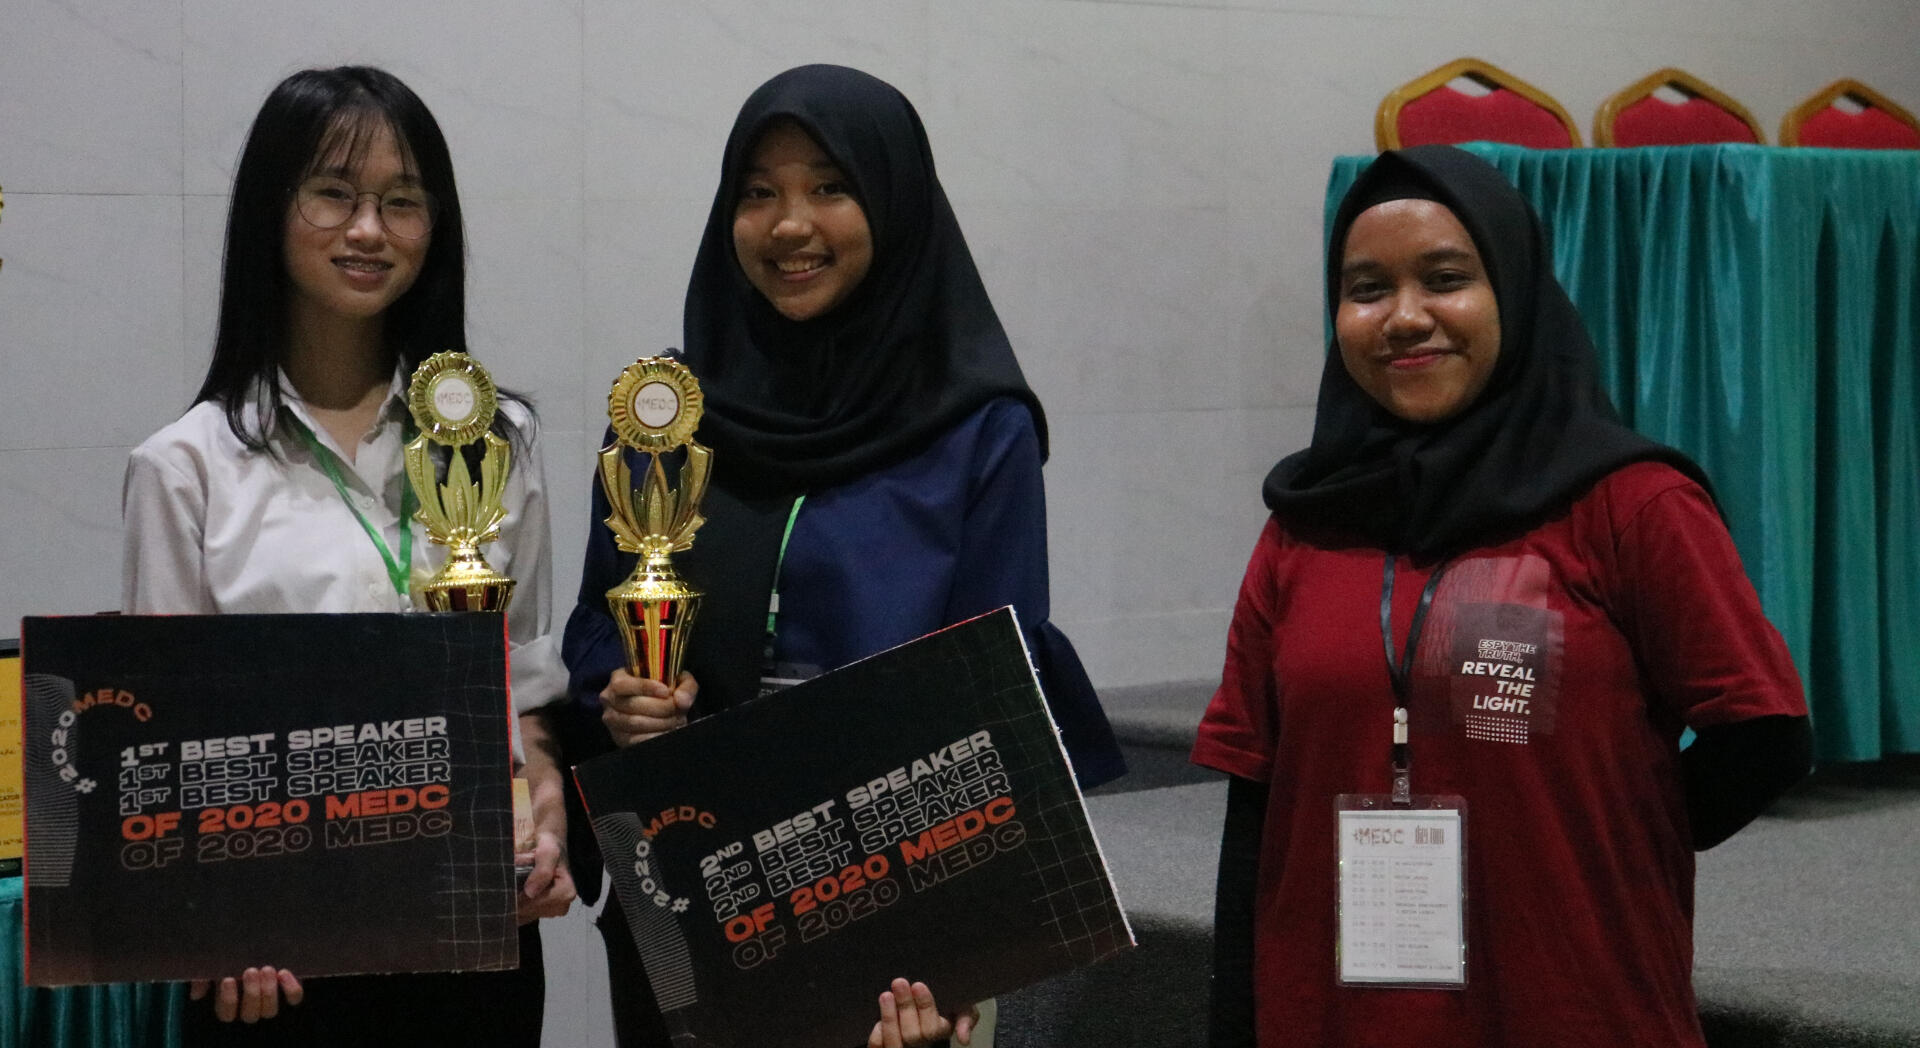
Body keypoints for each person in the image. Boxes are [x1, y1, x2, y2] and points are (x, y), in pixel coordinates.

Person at [1192, 145, 1812, 1047]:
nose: (1405, 317)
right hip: (1332, 1017)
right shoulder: (1303, 527)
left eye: (1446, 279)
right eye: (1367, 290)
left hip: (1573, 1009)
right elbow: (1256, 800)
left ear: (1515, 292)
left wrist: (1607, 841)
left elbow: (1762, 732)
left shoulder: (1632, 503)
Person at [559, 64, 1125, 1047]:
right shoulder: (667, 412)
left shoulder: (974, 425)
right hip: (686, 884)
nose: (790, 225)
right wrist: (619, 693)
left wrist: (964, 946)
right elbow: (595, 621)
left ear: (894, 201)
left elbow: (997, 686)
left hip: (890, 909)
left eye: (830, 186)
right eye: (758, 192)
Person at [121, 65, 574, 1045]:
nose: (369, 230)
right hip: (280, 960)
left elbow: (527, 685)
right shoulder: (185, 469)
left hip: (473, 933)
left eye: (402, 201)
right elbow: (168, 742)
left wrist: (545, 814)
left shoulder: (499, 441)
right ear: (271, 212)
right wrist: (211, 923)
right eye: (333, 193)